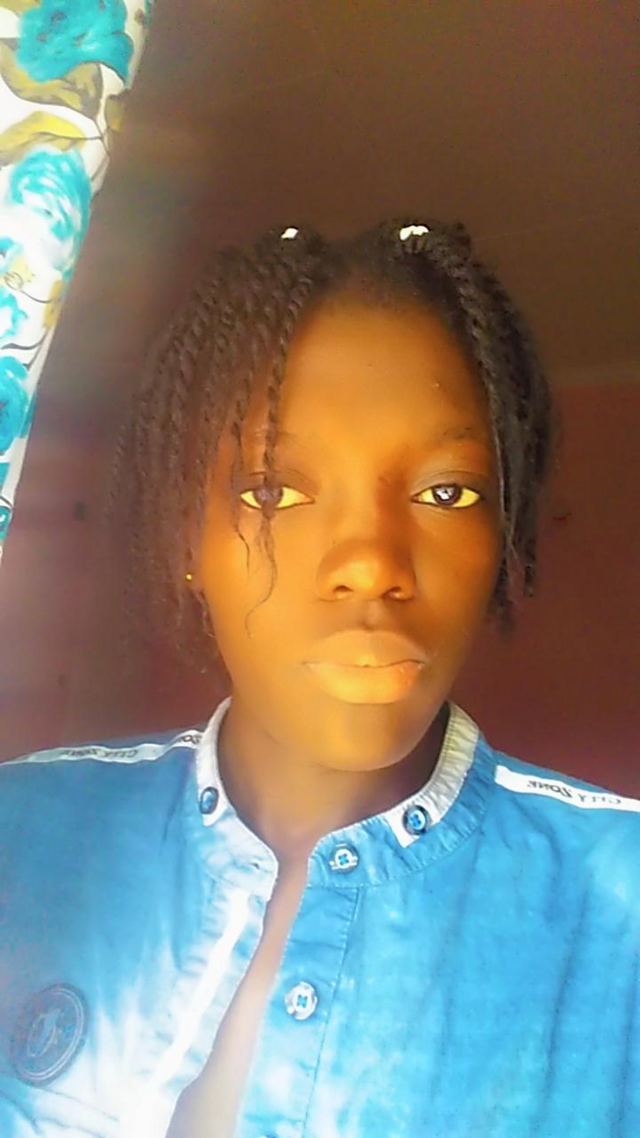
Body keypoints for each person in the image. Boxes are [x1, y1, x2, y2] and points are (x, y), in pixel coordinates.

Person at [0, 218, 637, 1138]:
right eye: (273, 491)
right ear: (187, 541)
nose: (371, 563)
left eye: (446, 492)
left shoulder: (621, 911)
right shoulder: (21, 834)